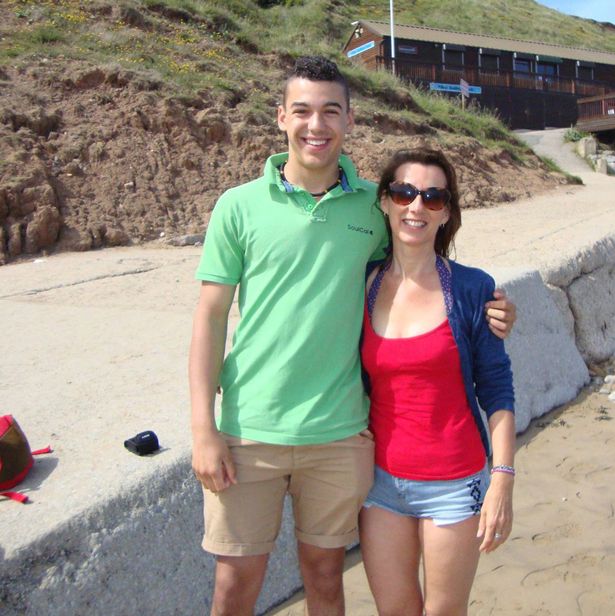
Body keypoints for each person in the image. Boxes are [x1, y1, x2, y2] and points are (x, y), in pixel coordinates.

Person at [189, 56, 516, 616]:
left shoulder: (371, 204)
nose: (316, 125)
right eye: (302, 111)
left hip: (340, 434)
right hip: (249, 426)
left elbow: (424, 266)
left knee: (326, 578)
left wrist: (497, 310)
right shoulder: (237, 207)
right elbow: (210, 317)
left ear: (350, 120)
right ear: (281, 117)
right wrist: (203, 428)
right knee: (233, 586)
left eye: (330, 111)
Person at [359, 148, 516, 616]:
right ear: (384, 202)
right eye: (404, 193)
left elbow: (497, 390)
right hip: (379, 484)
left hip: (455, 483)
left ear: (446, 212)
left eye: (432, 197)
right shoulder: (361, 283)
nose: (416, 206)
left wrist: (502, 479)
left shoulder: (472, 289)